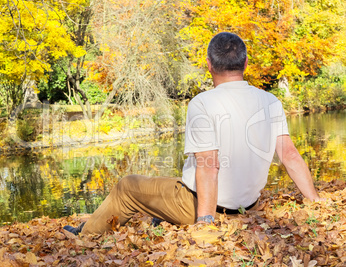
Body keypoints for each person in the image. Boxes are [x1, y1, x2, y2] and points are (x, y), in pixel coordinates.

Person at [64, 32, 322, 235]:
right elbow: (289, 155)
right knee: (177, 177)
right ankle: (163, 216)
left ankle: (87, 235)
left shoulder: (203, 103)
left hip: (211, 209)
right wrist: (315, 201)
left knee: (127, 186)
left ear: (209, 65)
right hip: (248, 205)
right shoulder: (270, 101)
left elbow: (209, 166)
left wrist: (205, 223)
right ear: (244, 63)